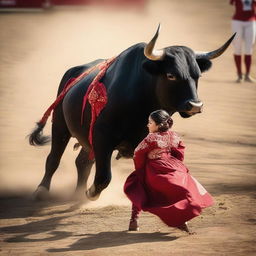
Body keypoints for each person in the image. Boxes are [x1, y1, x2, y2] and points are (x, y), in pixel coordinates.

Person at [124, 110, 214, 234]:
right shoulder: (173, 135)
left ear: (159, 125)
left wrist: (141, 169)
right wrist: (176, 163)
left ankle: (134, 220)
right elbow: (180, 151)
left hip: (154, 169)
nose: (148, 125)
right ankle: (182, 220)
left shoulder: (151, 138)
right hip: (173, 167)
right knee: (181, 191)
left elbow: (138, 153)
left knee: (138, 186)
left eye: (150, 123)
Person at [230, 0, 256, 83]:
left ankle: (247, 75)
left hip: (251, 22)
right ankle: (239, 74)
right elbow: (231, 3)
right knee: (237, 48)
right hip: (237, 22)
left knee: (249, 49)